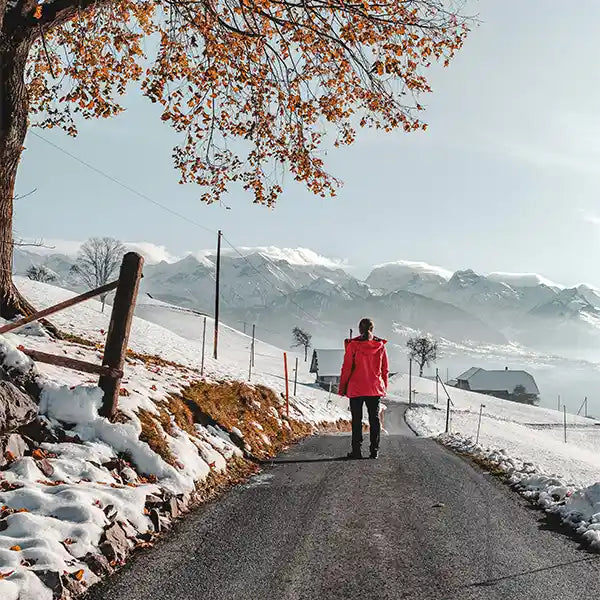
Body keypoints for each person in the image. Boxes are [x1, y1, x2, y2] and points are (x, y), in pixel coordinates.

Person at [339, 318, 388, 459]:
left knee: (357, 419)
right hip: (374, 388)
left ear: (359, 329)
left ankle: (356, 451)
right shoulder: (380, 346)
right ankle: (374, 450)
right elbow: (385, 369)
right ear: (372, 329)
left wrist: (342, 387)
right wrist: (383, 386)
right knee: (374, 419)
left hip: (356, 388)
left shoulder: (353, 346)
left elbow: (346, 368)